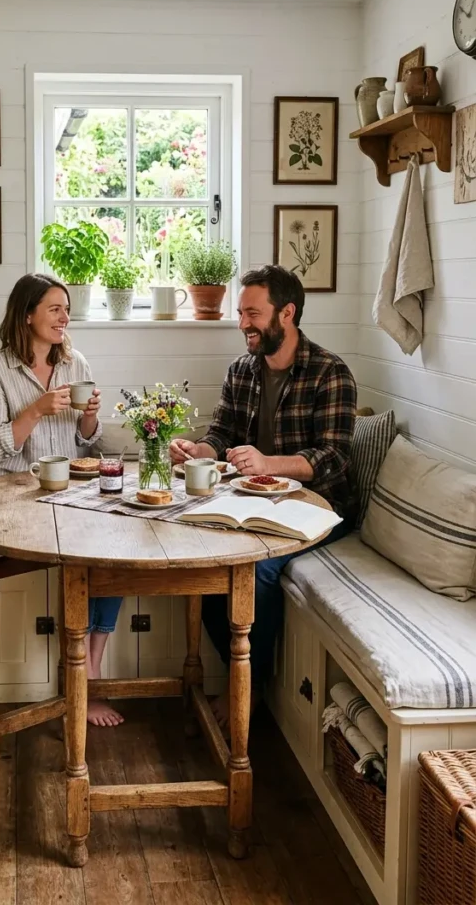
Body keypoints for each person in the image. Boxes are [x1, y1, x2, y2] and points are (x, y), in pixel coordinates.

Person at [170, 265, 357, 727]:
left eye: (252, 313)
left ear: (287, 313)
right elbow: (222, 431)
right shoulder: (243, 369)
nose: (242, 324)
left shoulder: (330, 372)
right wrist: (199, 451)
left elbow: (334, 456)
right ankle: (242, 672)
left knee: (256, 571)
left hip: (319, 508)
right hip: (254, 502)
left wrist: (269, 463)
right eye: (240, 313)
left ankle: (250, 688)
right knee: (205, 563)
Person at [0, 273, 124, 727]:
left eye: (66, 308)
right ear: (27, 316)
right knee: (81, 556)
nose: (65, 317)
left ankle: (90, 670)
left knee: (117, 543)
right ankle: (79, 679)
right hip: (13, 496)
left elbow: (88, 443)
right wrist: (37, 408)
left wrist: (90, 418)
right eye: (54, 308)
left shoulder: (75, 362)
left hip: (69, 491)